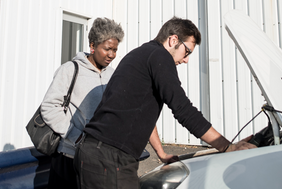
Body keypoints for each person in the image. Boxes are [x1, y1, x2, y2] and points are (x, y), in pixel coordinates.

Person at [74, 17, 257, 188]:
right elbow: (183, 109)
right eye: (187, 51)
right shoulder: (160, 57)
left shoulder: (142, 54)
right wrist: (227, 147)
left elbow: (141, 113)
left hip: (96, 153)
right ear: (173, 40)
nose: (185, 60)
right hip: (110, 157)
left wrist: (160, 153)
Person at [40, 17, 124, 189]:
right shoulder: (70, 70)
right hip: (68, 157)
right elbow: (49, 107)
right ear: (92, 46)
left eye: (115, 50)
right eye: (107, 49)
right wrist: (76, 137)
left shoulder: (113, 75)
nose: (112, 55)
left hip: (99, 159)